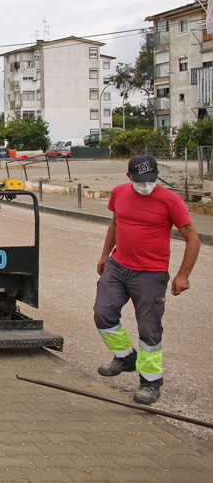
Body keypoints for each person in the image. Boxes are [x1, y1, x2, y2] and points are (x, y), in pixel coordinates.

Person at [94, 155, 200, 405]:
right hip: (119, 266)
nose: (145, 185)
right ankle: (125, 357)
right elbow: (115, 225)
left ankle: (151, 383)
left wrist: (183, 274)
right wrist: (105, 255)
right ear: (129, 177)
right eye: (140, 180)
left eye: (150, 179)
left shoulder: (170, 200)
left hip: (151, 273)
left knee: (149, 329)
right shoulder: (119, 193)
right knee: (103, 312)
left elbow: (193, 239)